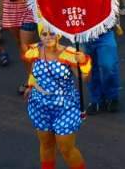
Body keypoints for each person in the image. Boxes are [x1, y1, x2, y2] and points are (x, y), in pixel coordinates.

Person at [24, 25, 90, 169]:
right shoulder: (34, 50)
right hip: (39, 106)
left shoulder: (69, 53)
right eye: (44, 34)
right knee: (46, 145)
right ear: (40, 36)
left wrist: (83, 63)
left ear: (59, 35)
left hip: (65, 107)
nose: (48, 37)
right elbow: (33, 72)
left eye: (52, 34)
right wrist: (30, 86)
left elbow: (83, 79)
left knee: (66, 149)